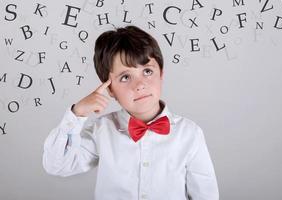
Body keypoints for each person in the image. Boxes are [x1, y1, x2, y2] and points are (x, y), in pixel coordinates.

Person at [43, 25, 219, 200]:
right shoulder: (102, 130)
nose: (140, 85)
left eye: (147, 71)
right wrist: (77, 114)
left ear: (161, 74)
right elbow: (56, 165)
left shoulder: (189, 133)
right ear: (110, 89)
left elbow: (206, 194)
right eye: (125, 77)